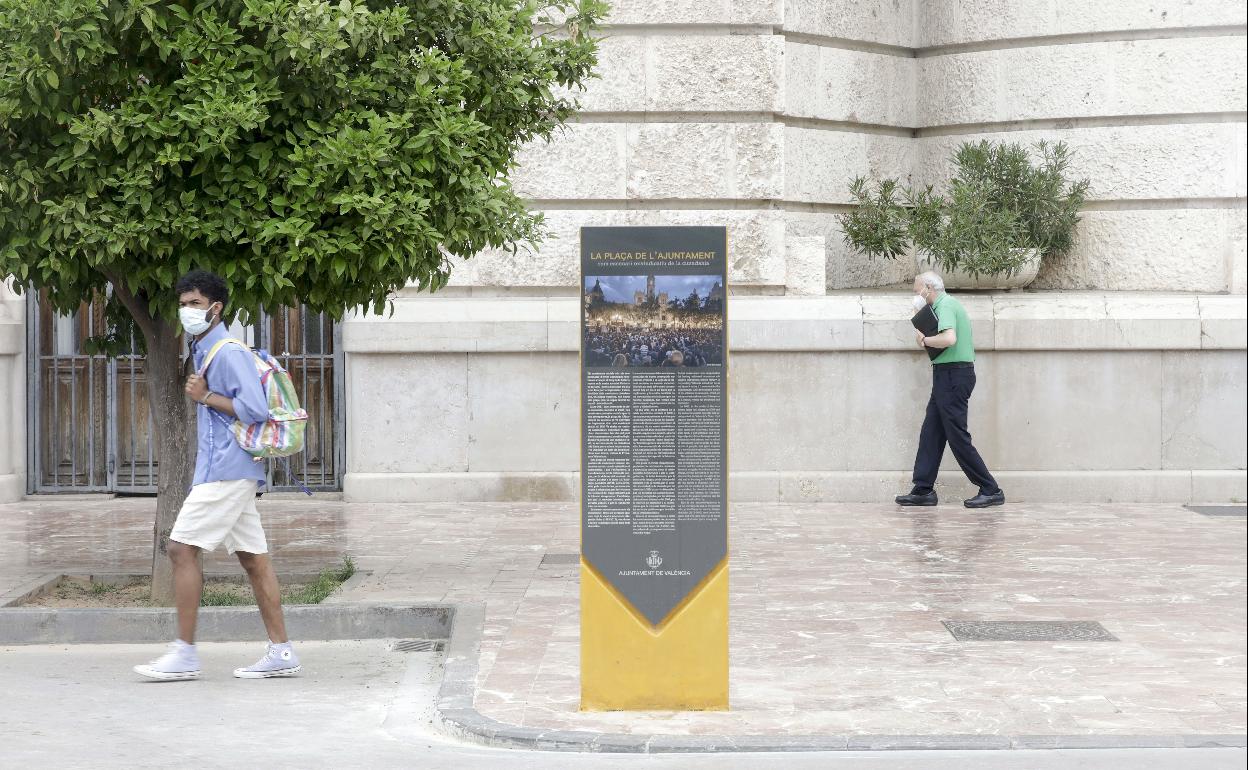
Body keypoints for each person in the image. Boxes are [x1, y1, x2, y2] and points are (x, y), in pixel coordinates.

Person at [133, 270, 301, 680]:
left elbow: (257, 409)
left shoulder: (227, 352)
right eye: (183, 304)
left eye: (193, 304)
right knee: (253, 560)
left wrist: (205, 396)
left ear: (215, 307)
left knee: (180, 548)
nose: (186, 311)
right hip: (229, 469)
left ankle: (185, 654)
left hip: (227, 470)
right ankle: (282, 652)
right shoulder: (206, 348)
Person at [895, 272, 1005, 509]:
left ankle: (990, 489)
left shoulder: (946, 305)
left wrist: (925, 341)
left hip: (954, 375)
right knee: (931, 432)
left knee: (957, 436)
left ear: (927, 288)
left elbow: (948, 339)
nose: (916, 296)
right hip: (947, 375)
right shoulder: (945, 306)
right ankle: (923, 490)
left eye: (917, 292)